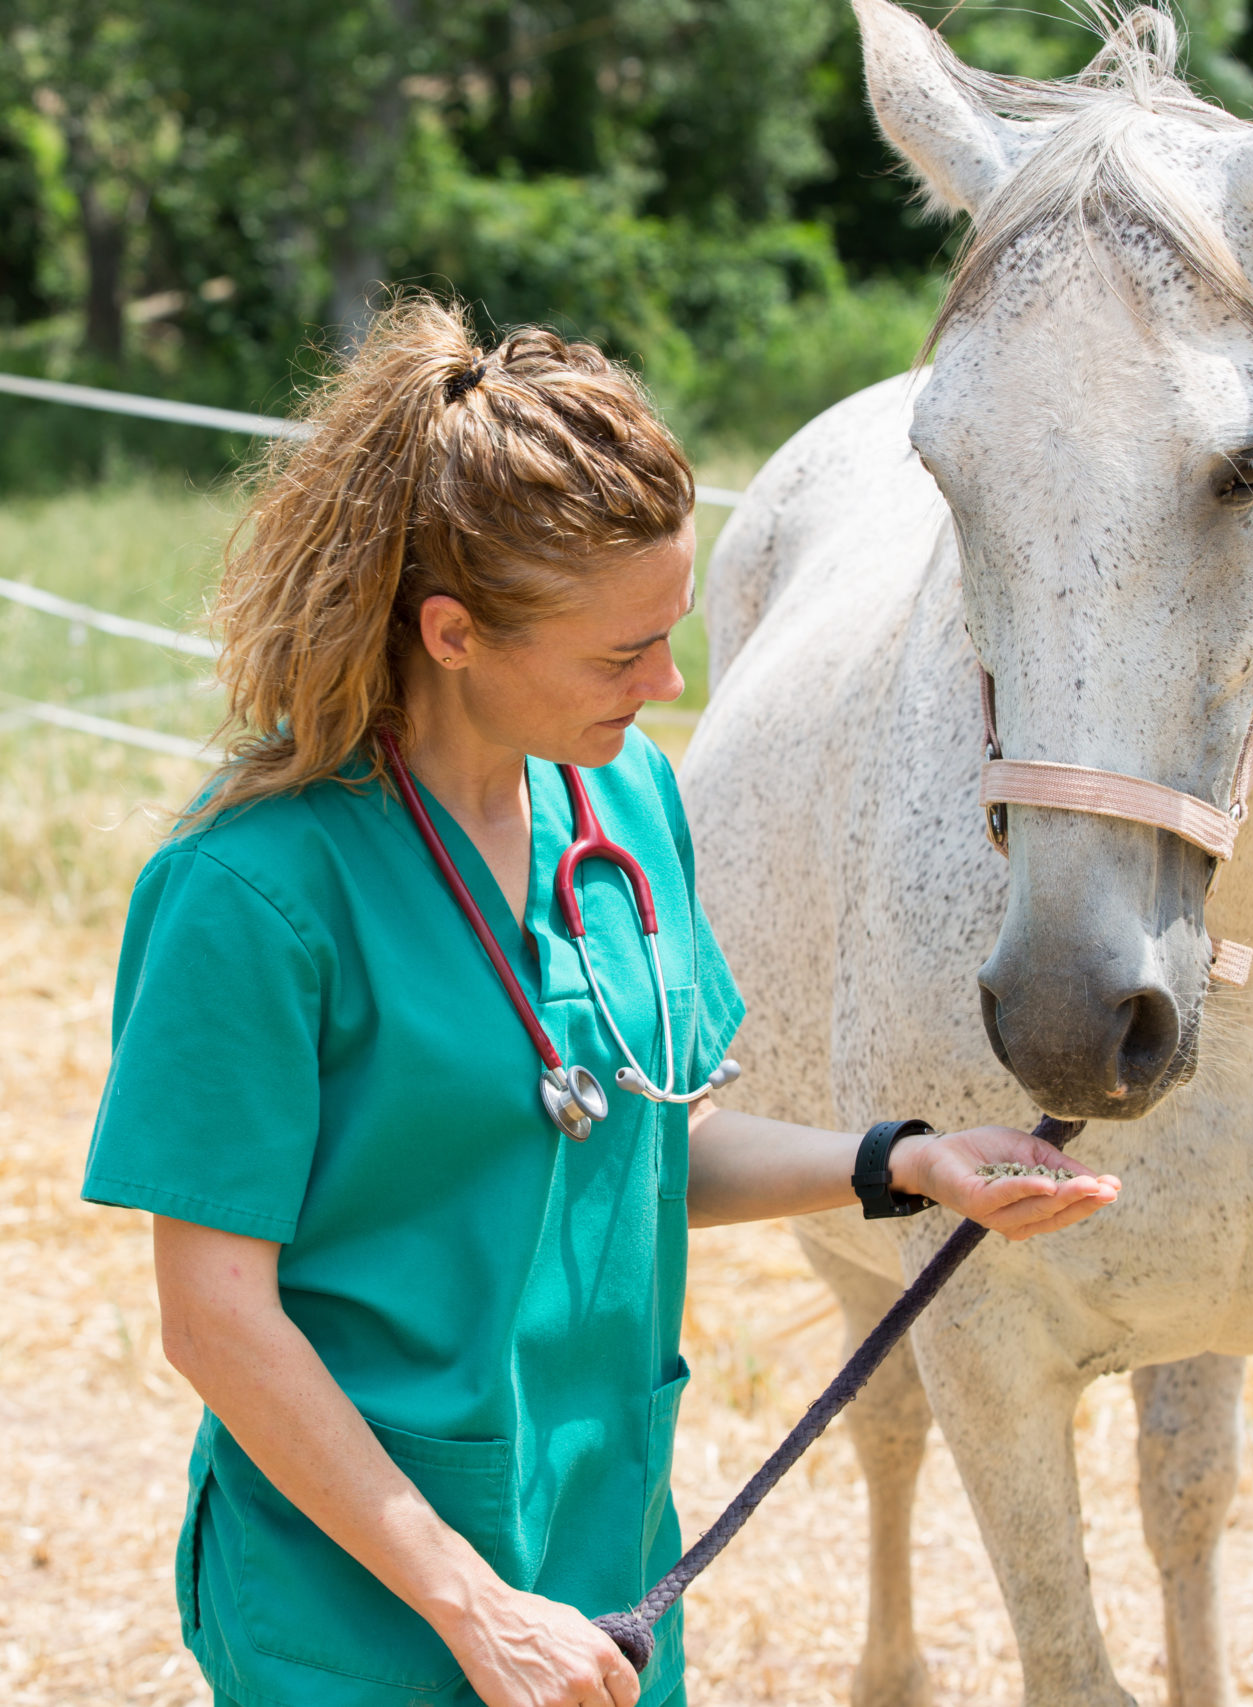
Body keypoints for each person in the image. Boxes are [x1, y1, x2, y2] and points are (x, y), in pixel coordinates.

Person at [81, 296, 1119, 1707]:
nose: (668, 682)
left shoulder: (623, 807)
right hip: (366, 1603)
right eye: (618, 654)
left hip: (601, 1565)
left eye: (671, 632)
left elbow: (639, 1141)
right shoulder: (252, 893)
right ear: (451, 632)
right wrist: (471, 1607)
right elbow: (213, 1316)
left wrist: (901, 1164)